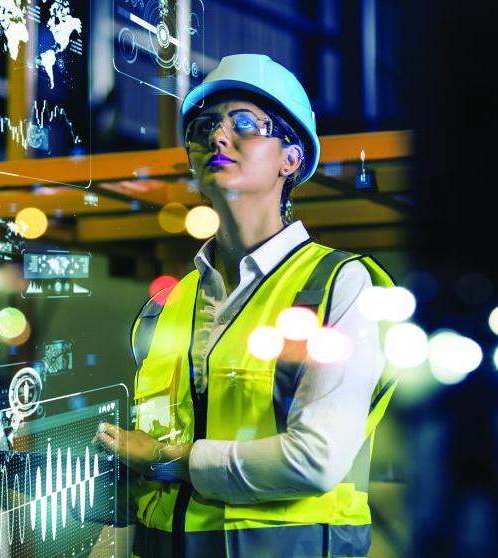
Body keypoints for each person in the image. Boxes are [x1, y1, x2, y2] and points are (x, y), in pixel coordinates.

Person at [94, 54, 398, 557]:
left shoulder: (339, 286)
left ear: (291, 158)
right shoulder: (170, 303)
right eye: (204, 127)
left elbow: (316, 460)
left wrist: (169, 459)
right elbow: (152, 472)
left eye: (243, 125)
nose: (217, 137)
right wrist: (49, 475)